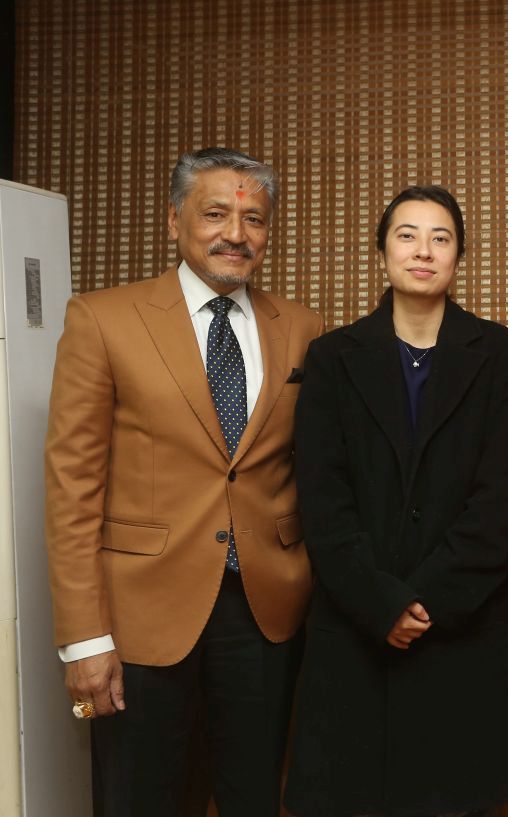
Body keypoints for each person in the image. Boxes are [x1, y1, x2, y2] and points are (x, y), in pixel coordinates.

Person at [43, 147, 324, 816]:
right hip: (139, 618)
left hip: (265, 613)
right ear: (174, 221)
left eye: (254, 218)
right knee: (140, 798)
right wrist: (84, 640)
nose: (236, 234)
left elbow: (316, 469)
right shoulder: (103, 318)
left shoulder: (303, 328)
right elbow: (71, 490)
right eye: (215, 214)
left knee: (255, 797)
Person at [283, 185, 508, 817]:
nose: (423, 250)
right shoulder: (333, 358)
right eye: (407, 235)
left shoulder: (500, 354)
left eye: (440, 238)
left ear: (459, 256)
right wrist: (382, 601)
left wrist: (426, 601)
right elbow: (323, 498)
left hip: (464, 629)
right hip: (357, 628)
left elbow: (499, 500)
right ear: (383, 251)